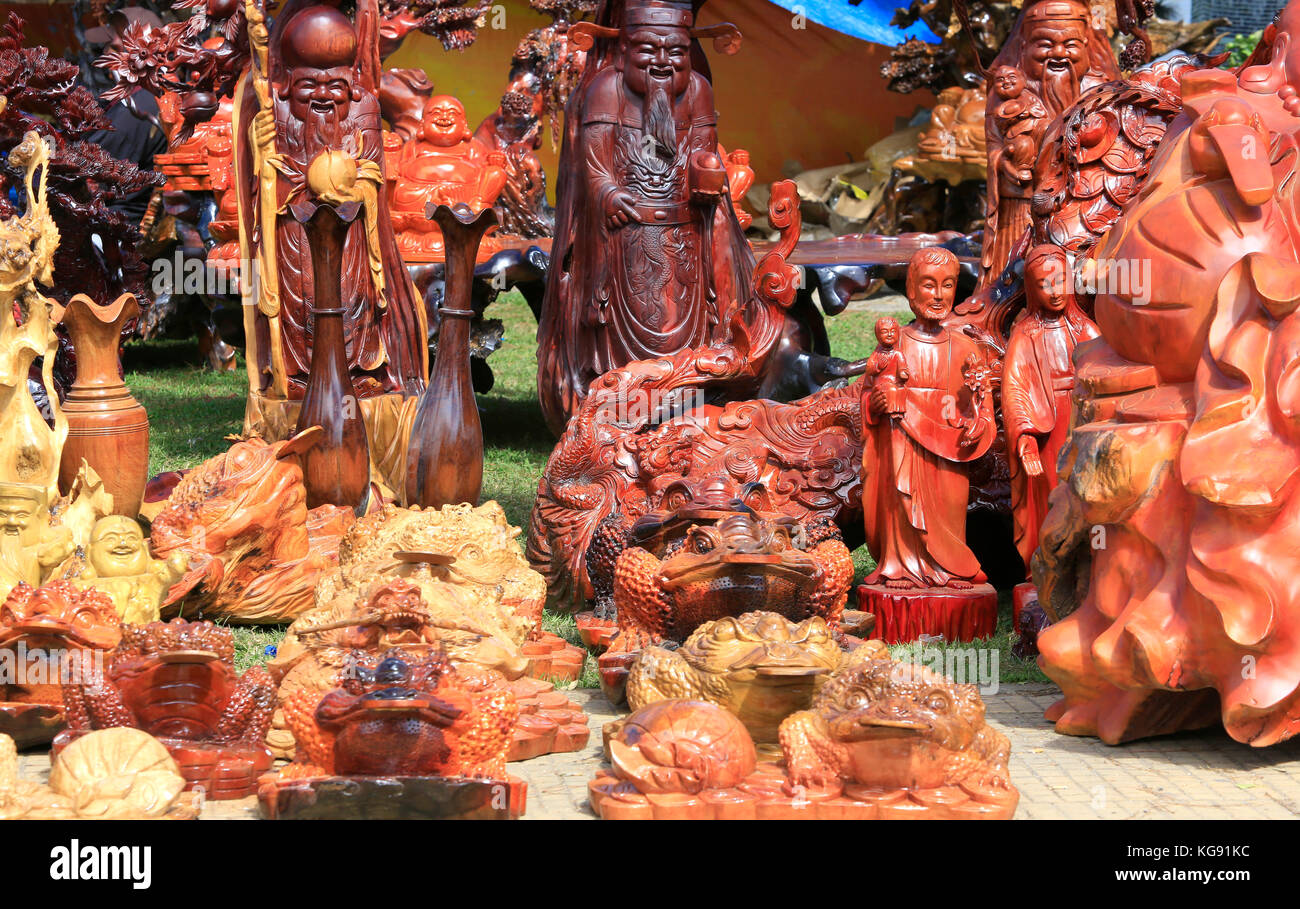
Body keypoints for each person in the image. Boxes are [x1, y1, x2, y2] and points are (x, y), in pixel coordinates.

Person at [860, 248, 996, 590]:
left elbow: (981, 404)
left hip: (948, 443)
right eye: (928, 285)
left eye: (947, 285)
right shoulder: (893, 344)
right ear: (910, 291)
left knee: (950, 506)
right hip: (901, 439)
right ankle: (900, 566)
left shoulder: (966, 347)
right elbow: (868, 395)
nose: (938, 295)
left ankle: (950, 570)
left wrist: (977, 421)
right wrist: (875, 403)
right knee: (902, 501)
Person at [85, 7, 169, 225]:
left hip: (120, 233)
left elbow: (85, 166)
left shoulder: (139, 108)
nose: (105, 53)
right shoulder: (151, 94)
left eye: (114, 48)